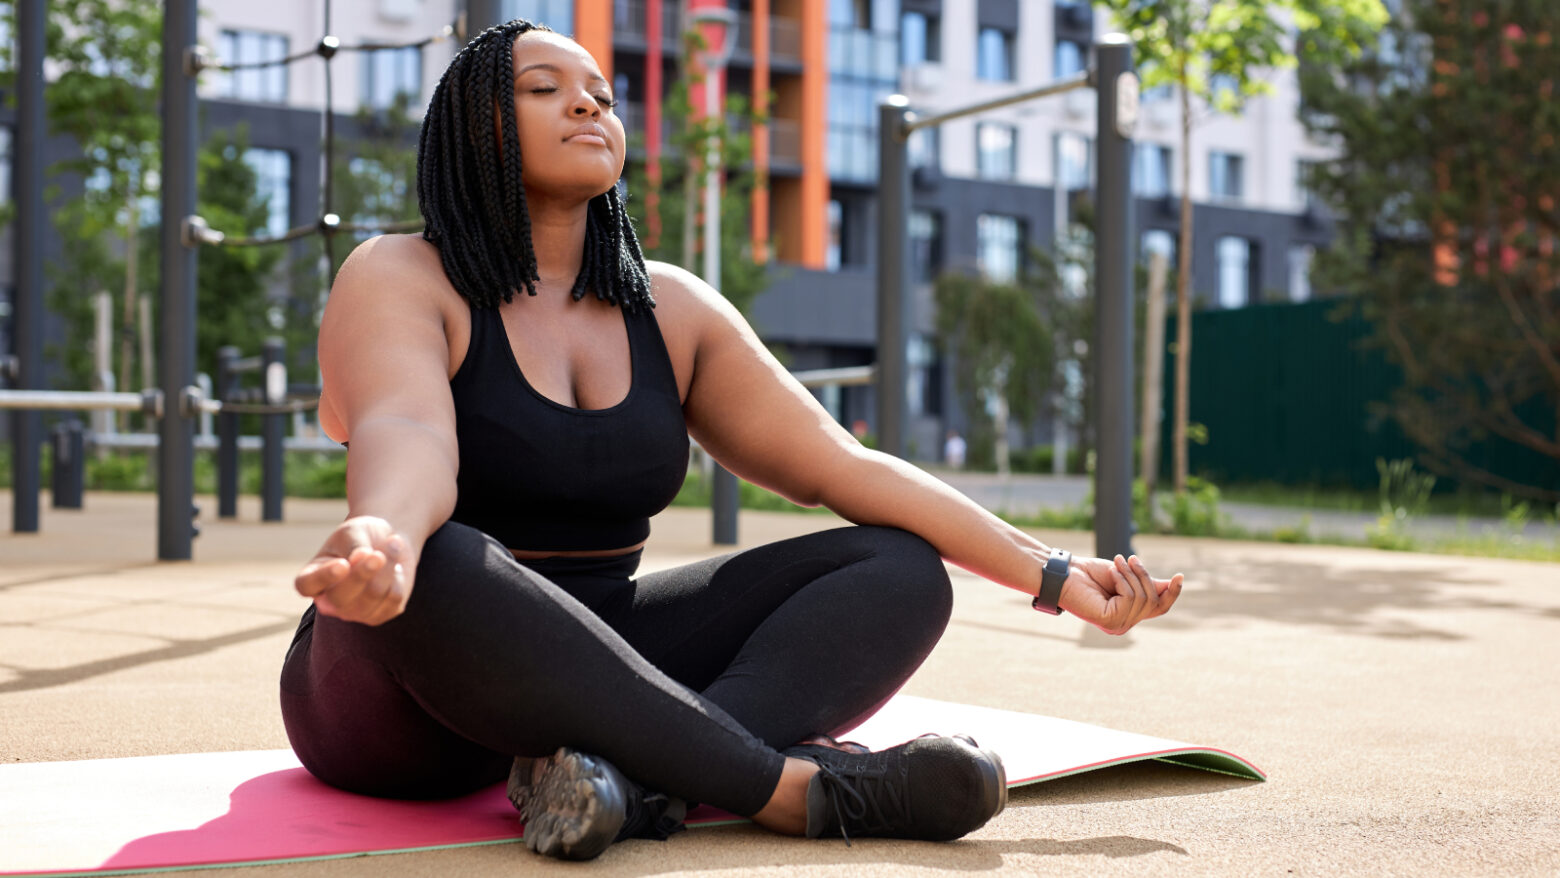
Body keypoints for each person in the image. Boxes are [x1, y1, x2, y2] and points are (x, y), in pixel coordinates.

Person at [282, 20, 1185, 863]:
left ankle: (624, 785)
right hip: (409, 690)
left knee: (898, 568)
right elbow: (408, 433)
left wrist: (1057, 577)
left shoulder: (670, 308)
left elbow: (842, 464)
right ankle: (790, 791)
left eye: (601, 91)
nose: (590, 103)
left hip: (603, 666)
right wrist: (387, 537)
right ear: (472, 130)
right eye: (544, 88)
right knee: (448, 557)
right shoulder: (400, 273)